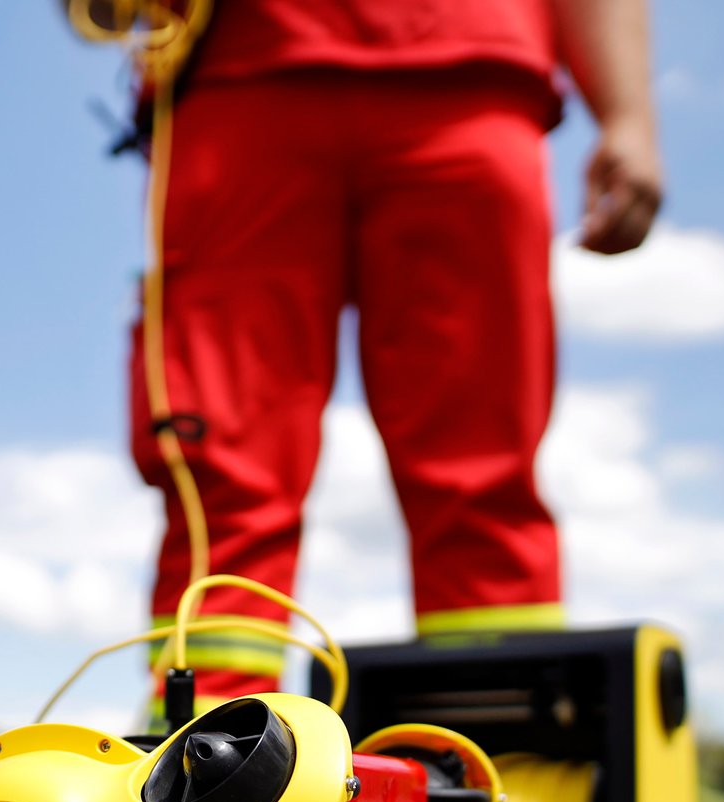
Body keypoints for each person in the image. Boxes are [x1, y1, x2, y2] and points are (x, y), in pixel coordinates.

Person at [113, 0, 664, 718]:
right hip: (240, 81)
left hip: (470, 75)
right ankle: (203, 749)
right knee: (219, 450)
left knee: (481, 453)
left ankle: (494, 743)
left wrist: (629, 113)